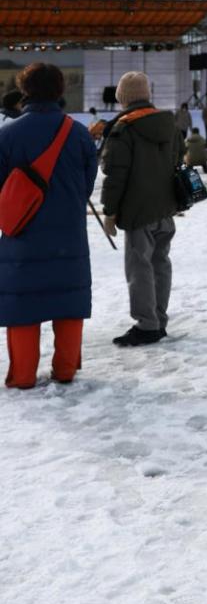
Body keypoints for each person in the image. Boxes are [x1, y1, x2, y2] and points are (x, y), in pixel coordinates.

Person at [0, 62, 99, 388]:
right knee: (68, 301)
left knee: (22, 306)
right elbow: (86, 185)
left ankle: (23, 376)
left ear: (25, 91)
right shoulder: (79, 133)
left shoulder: (7, 135)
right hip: (69, 236)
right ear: (59, 90)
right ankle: (66, 370)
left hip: (21, 237)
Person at [99, 70, 180, 348]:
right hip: (165, 208)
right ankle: (158, 319)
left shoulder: (124, 128)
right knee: (160, 263)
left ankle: (147, 325)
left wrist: (110, 211)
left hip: (137, 211)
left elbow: (115, 175)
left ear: (123, 98)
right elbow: (177, 161)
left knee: (139, 268)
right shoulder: (168, 123)